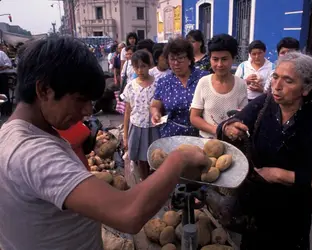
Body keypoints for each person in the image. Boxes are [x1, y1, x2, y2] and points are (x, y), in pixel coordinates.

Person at [0, 36, 210, 250]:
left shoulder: (13, 133)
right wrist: (179, 158)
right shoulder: (34, 153)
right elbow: (129, 213)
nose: (88, 111)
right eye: (80, 100)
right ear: (44, 90)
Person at [217, 52, 312, 249]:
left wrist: (281, 175)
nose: (276, 86)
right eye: (276, 77)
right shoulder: (265, 103)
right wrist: (230, 127)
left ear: (306, 89)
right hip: (253, 207)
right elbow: (229, 124)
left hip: (291, 214)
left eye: (288, 81)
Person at [190, 34, 248, 139]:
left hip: (232, 143)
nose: (219, 64)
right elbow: (194, 117)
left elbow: (243, 116)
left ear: (233, 58)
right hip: (207, 143)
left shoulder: (241, 84)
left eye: (224, 59)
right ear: (210, 59)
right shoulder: (204, 83)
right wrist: (218, 130)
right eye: (215, 59)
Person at [150, 38, 209, 138]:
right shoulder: (164, 82)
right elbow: (155, 105)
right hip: (171, 135)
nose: (176, 63)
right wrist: (156, 114)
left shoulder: (204, 78)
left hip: (200, 135)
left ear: (190, 59)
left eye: (180, 58)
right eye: (172, 59)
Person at [122, 50, 159, 181]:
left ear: (149, 66)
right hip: (137, 126)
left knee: (155, 157)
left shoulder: (157, 84)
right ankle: (145, 182)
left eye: (143, 66)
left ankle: (155, 182)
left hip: (154, 127)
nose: (139, 70)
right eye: (136, 66)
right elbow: (127, 112)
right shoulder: (130, 86)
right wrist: (125, 135)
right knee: (141, 159)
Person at [0, 44, 13, 116]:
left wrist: (2, 68)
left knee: (4, 93)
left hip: (2, 75)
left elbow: (9, 64)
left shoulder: (1, 53)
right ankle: (2, 111)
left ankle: (6, 111)